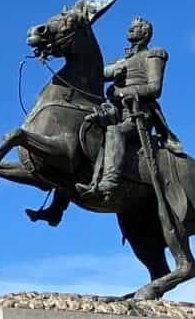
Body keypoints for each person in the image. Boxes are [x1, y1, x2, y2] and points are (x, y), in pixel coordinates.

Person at [77, 16, 182, 203]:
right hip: (115, 111)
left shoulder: (154, 54)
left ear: (146, 33)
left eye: (135, 28)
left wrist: (121, 91)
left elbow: (154, 89)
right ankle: (58, 204)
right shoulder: (121, 60)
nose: (130, 30)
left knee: (114, 132)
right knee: (83, 128)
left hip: (138, 113)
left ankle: (110, 181)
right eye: (130, 28)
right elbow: (97, 74)